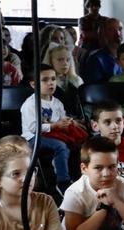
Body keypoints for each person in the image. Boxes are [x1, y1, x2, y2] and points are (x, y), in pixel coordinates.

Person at [20, 65, 86, 193]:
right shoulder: (30, 104)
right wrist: (54, 125)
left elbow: (61, 118)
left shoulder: (57, 103)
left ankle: (77, 176)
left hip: (53, 135)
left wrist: (69, 121)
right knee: (60, 146)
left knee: (77, 143)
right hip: (33, 138)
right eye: (45, 80)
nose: (50, 83)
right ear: (34, 85)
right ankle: (63, 182)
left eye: (53, 79)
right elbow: (33, 128)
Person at [89, 101, 124, 197]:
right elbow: (88, 185)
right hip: (98, 200)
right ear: (95, 126)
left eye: (118, 121)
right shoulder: (90, 150)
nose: (114, 126)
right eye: (107, 122)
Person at [43, 43, 84, 120]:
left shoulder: (76, 81)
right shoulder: (45, 83)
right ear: (51, 61)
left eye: (68, 60)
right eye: (60, 60)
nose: (65, 63)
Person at [80, 18, 124, 85]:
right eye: (111, 30)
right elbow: (93, 88)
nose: (117, 33)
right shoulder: (97, 59)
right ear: (104, 34)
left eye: (120, 29)